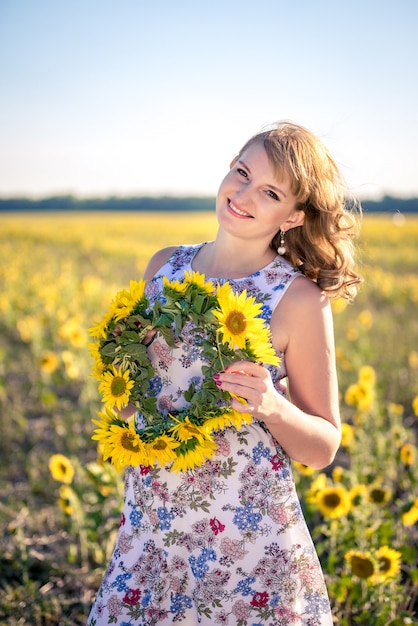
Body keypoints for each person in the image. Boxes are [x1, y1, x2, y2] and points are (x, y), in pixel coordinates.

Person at [87, 121, 361, 625]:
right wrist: (123, 370)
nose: (243, 194)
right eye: (241, 172)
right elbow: (134, 405)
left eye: (270, 191)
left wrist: (273, 407)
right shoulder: (164, 267)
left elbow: (323, 447)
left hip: (247, 543)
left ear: (294, 215)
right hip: (153, 525)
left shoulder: (297, 298)